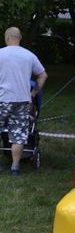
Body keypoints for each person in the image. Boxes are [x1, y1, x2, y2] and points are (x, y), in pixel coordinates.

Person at [0, 27, 47, 175]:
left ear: (7, 38)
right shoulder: (29, 56)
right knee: (18, 135)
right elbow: (43, 75)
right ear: (19, 38)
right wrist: (33, 92)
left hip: (2, 100)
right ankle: (15, 167)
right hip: (23, 100)